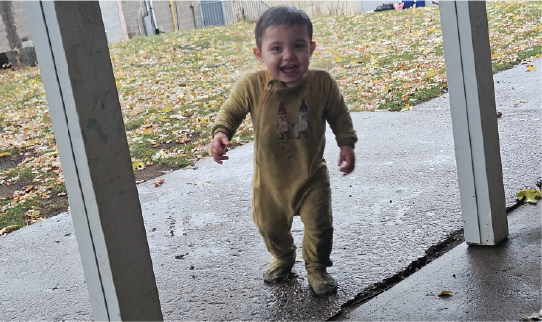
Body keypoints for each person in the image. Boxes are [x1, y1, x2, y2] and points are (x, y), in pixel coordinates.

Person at [210, 5, 357, 296]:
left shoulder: (321, 83)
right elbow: (231, 112)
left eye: (298, 46)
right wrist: (220, 133)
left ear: (311, 48)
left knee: (320, 227)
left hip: (311, 175)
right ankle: (283, 256)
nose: (288, 55)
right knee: (269, 226)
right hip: (270, 182)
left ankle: (317, 268)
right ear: (260, 54)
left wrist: (346, 143)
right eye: (276, 48)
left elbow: (339, 114)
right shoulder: (252, 86)